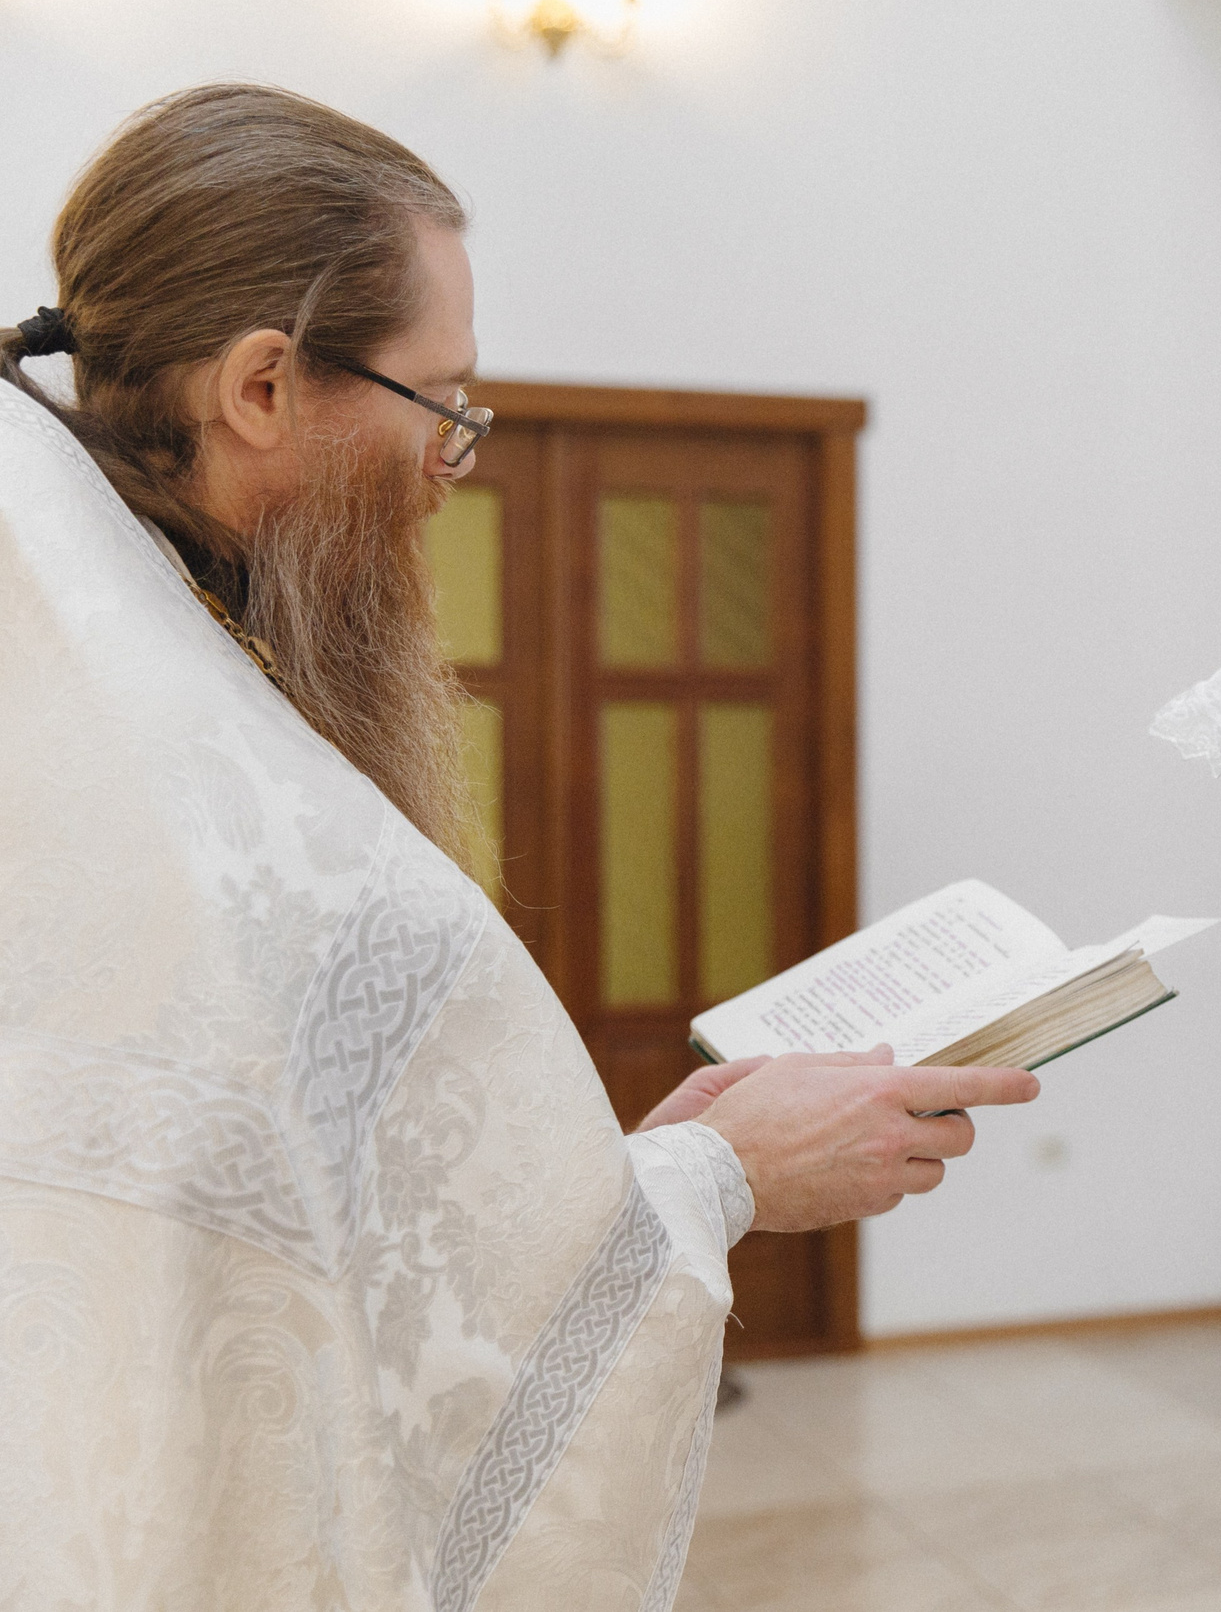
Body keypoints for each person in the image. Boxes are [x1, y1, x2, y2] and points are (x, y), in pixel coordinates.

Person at [0, 83, 1039, 1610]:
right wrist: (722, 1174)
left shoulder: (109, 646)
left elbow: (290, 1230)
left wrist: (619, 1169)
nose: (453, 457)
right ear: (263, 388)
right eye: (444, 404)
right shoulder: (181, 783)